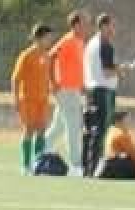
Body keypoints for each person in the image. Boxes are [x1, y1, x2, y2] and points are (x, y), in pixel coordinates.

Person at [82, 13, 133, 178]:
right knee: (100, 131)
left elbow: (102, 67)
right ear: (103, 26)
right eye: (111, 26)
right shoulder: (105, 44)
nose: (114, 29)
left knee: (91, 131)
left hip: (92, 90)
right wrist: (122, 70)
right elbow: (106, 71)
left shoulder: (91, 43)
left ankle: (87, 168)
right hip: (103, 91)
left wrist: (117, 68)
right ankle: (95, 168)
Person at [44, 10, 88, 175]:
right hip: (65, 90)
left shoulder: (80, 41)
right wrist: (53, 82)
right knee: (74, 127)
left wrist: (82, 85)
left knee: (58, 128)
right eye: (84, 22)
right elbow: (51, 56)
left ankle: (40, 152)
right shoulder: (68, 40)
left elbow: (77, 67)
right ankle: (75, 166)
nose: (87, 26)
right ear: (76, 24)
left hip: (74, 90)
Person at [12, 24, 55, 175]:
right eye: (48, 37)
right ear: (39, 38)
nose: (50, 40)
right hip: (28, 99)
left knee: (42, 130)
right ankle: (26, 165)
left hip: (43, 100)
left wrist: (51, 88)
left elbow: (47, 77)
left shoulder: (47, 55)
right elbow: (16, 79)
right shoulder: (26, 55)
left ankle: (38, 164)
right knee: (29, 130)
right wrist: (16, 98)